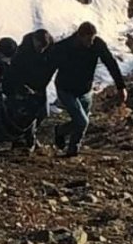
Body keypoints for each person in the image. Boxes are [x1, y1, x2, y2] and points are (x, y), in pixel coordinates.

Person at [50, 22, 127, 157]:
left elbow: (110, 63)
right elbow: (49, 68)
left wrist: (121, 86)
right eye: (87, 40)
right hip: (66, 90)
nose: (90, 43)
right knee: (82, 122)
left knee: (80, 121)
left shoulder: (97, 44)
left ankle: (61, 131)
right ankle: (72, 151)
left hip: (85, 91)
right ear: (79, 36)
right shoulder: (64, 47)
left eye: (92, 39)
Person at [3, 28, 54, 151]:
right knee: (28, 114)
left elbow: (51, 67)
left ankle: (29, 137)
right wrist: (22, 88)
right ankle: (26, 140)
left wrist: (42, 85)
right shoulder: (22, 51)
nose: (40, 50)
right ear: (34, 41)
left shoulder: (51, 49)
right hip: (23, 84)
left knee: (43, 111)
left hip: (39, 85)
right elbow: (14, 72)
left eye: (43, 48)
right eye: (39, 47)